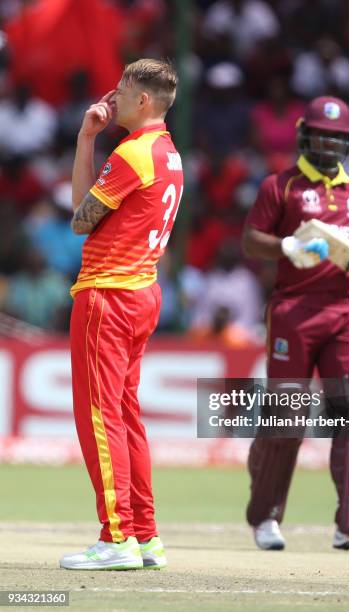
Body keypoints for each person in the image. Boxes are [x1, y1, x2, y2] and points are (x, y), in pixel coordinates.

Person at [242, 96, 349, 551]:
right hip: (294, 311)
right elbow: (251, 240)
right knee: (288, 416)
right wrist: (286, 248)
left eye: (337, 138)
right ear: (303, 135)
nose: (328, 144)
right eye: (321, 135)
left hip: (344, 311)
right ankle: (266, 518)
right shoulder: (281, 185)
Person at [60, 58, 182, 570]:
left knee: (100, 417)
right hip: (142, 293)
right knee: (126, 415)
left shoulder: (132, 154)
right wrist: (90, 138)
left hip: (107, 296)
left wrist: (87, 142)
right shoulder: (170, 153)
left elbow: (81, 220)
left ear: (143, 101)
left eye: (122, 90)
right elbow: (89, 213)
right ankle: (144, 534)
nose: (113, 96)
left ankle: (117, 539)